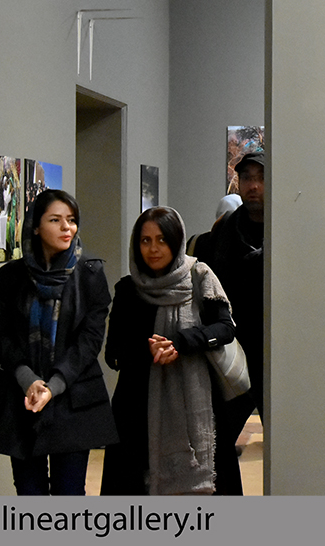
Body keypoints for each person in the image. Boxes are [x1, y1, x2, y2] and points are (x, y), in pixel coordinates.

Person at [0, 189, 118, 495]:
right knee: (29, 493)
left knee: (68, 493)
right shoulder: (10, 276)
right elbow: (0, 337)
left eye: (71, 220)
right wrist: (29, 381)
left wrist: (53, 385)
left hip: (74, 397)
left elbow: (89, 342)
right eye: (55, 220)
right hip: (24, 399)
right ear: (35, 226)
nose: (66, 228)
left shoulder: (90, 274)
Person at [101, 206, 239, 495]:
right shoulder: (128, 289)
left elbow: (225, 328)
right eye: (145, 240)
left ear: (177, 241)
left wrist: (182, 342)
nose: (153, 249)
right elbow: (112, 352)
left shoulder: (199, 276)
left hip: (199, 400)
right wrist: (150, 349)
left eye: (162, 240)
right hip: (137, 409)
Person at [198, 150, 264, 494]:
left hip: (278, 353)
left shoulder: (290, 231)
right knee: (218, 440)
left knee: (289, 445)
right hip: (232, 352)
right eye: (247, 178)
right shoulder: (223, 234)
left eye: (260, 178)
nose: (253, 186)